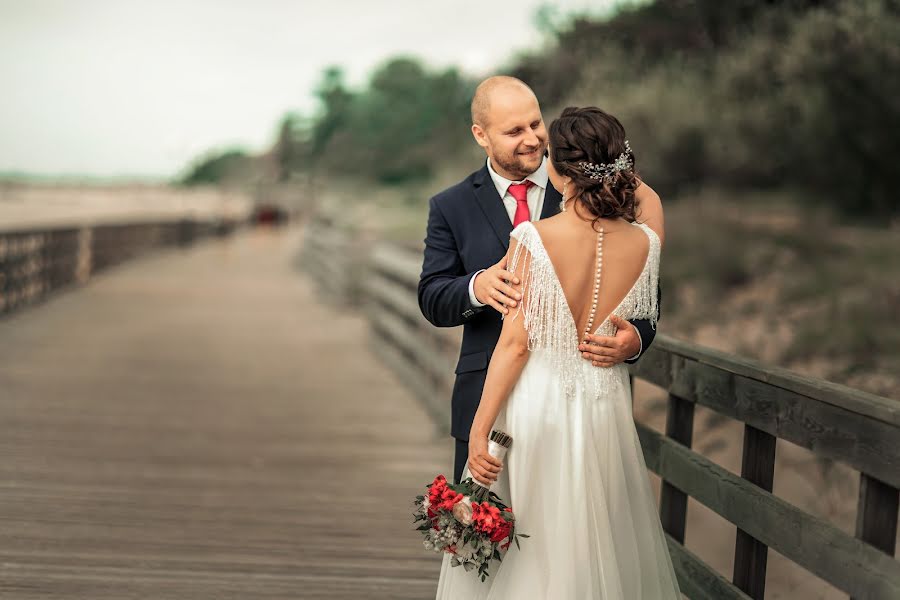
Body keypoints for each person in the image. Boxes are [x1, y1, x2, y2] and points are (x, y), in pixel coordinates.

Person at [433, 106, 681, 598]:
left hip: (539, 406)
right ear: (618, 163)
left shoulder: (534, 238)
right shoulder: (646, 241)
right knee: (597, 535)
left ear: (559, 167)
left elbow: (515, 345)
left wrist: (480, 429)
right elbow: (646, 197)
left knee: (540, 539)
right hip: (605, 407)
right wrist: (615, 165)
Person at [417, 76, 661, 487]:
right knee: (485, 542)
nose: (531, 139)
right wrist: (476, 287)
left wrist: (636, 339)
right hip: (483, 400)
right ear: (481, 135)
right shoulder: (450, 206)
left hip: (577, 409)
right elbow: (431, 295)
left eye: (535, 124)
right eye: (514, 131)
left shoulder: (597, 190)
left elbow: (645, 288)